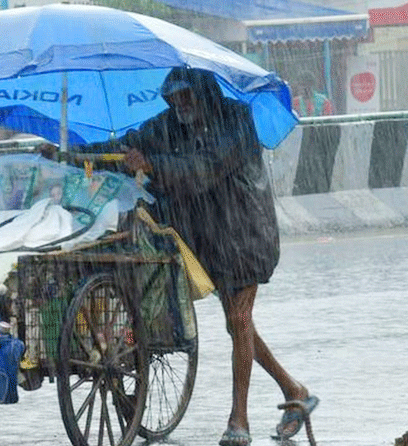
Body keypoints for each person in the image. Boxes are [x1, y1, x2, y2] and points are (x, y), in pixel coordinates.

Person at [70, 67, 318, 445]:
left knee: (238, 318)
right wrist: (72, 154)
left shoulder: (236, 121)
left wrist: (152, 165)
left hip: (245, 234)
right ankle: (294, 389)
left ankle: (239, 419)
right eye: (174, 99)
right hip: (204, 237)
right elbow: (127, 144)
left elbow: (205, 170)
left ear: (204, 95)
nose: (181, 106)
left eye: (187, 98)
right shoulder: (168, 125)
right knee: (238, 324)